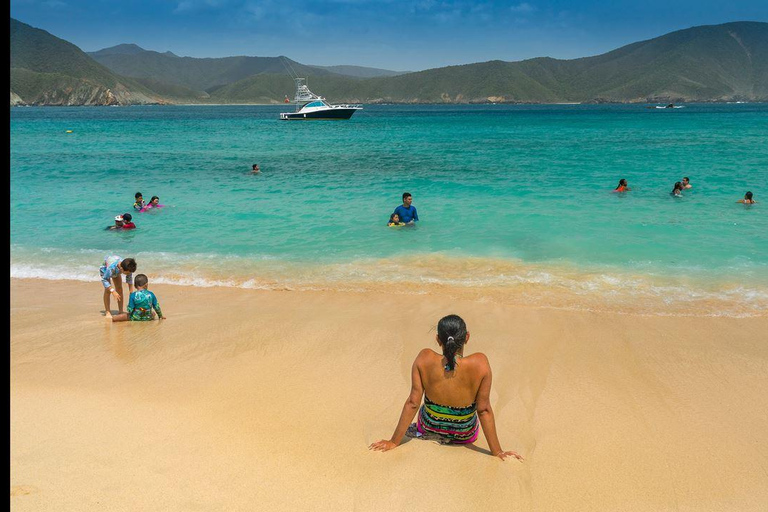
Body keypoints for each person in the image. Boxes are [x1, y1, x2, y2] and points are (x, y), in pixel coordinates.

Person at [369, 314, 524, 461]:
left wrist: (394, 441)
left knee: (425, 407)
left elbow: (413, 403)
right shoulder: (480, 364)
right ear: (467, 337)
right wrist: (497, 451)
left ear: (438, 339)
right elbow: (483, 410)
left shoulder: (424, 358)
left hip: (428, 428)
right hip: (465, 434)